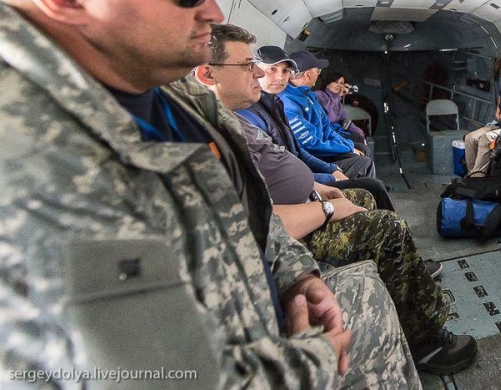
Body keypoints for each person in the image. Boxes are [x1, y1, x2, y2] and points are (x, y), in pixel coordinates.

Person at [0, 0, 420, 388]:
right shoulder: (32, 166)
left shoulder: (171, 93)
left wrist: (295, 274)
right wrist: (314, 359)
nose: (216, 12)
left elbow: (241, 206)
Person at [195, 23, 477, 375]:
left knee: (365, 193)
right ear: (208, 74)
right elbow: (256, 220)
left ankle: (400, 288)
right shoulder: (215, 135)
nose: (261, 73)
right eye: (247, 66)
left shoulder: (243, 119)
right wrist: (327, 205)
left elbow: (293, 157)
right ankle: (428, 341)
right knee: (385, 226)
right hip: (293, 232)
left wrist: (319, 184)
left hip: (310, 197)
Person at [244, 45, 391, 208]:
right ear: (255, 71)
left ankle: (369, 214)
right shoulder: (272, 108)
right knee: (370, 180)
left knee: (365, 163)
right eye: (272, 69)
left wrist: (332, 169)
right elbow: (301, 151)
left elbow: (302, 148)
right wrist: (330, 176)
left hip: (307, 171)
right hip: (299, 185)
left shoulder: (279, 103)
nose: (280, 77)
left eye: (285, 71)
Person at [281, 50, 372, 160]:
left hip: (325, 141)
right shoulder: (309, 97)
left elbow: (327, 125)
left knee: (361, 146)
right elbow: (309, 143)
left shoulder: (309, 95)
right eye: (317, 71)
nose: (318, 74)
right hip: (315, 153)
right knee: (361, 161)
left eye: (342, 83)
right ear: (307, 74)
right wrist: (347, 148)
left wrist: (349, 143)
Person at [314, 70, 368, 148]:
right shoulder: (319, 95)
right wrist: (338, 95)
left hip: (336, 133)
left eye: (341, 83)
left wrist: (358, 131)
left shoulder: (339, 104)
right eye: (336, 82)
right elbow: (325, 112)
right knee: (358, 142)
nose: (339, 85)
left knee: (359, 138)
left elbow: (346, 120)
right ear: (328, 84)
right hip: (324, 133)